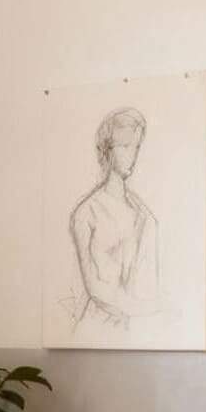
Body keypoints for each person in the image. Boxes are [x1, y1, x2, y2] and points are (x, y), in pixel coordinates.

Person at [67, 106, 159, 327]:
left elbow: (149, 279)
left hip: (135, 326)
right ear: (107, 150)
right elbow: (94, 287)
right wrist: (144, 309)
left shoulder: (143, 212)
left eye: (136, 147)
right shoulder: (86, 212)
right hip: (98, 326)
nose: (133, 155)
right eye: (126, 146)